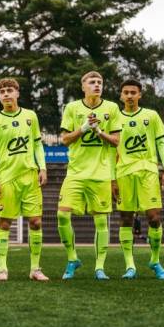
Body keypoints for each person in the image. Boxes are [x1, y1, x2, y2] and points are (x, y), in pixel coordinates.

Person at [58, 71, 121, 280]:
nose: (97, 85)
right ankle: (72, 259)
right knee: (62, 215)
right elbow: (65, 139)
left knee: (101, 222)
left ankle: (99, 267)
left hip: (101, 173)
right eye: (92, 82)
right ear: (83, 86)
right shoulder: (72, 108)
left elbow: (117, 141)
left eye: (100, 82)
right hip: (75, 172)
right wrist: (83, 128)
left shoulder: (111, 108)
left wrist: (100, 132)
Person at [0, 78, 48, 282]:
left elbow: (38, 144)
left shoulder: (30, 116)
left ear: (17, 93)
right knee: (4, 223)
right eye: (2, 91)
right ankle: (2, 269)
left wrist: (42, 167)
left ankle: (35, 269)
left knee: (36, 222)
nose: (6, 94)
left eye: (9, 90)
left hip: (30, 176)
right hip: (6, 179)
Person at [112, 79, 164, 279]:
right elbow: (111, 150)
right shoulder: (113, 118)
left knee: (154, 217)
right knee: (126, 218)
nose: (129, 96)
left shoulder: (151, 116)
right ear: (121, 95)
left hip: (148, 171)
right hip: (123, 173)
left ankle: (155, 261)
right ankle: (130, 265)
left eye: (133, 92)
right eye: (126, 92)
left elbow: (161, 144)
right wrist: (112, 179)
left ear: (140, 95)